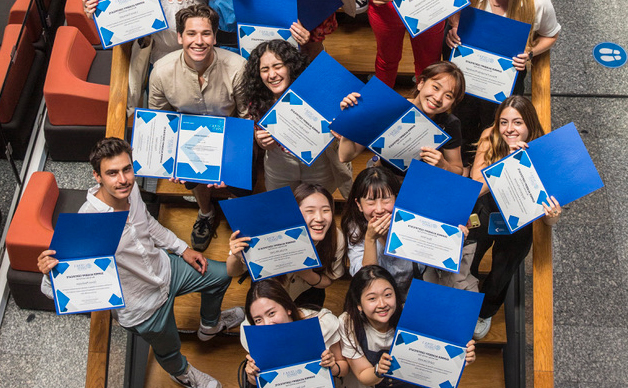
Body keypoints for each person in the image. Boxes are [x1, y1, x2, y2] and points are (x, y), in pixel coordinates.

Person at [37, 138, 244, 388]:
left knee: (221, 276)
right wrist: (50, 273)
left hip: (165, 269)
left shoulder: (131, 189)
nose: (123, 179)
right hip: (142, 307)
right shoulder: (87, 222)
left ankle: (210, 325)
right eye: (112, 173)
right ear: (97, 176)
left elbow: (147, 223)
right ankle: (181, 373)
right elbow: (52, 290)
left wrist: (183, 249)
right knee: (169, 349)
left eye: (127, 169)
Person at [148, 4, 249, 252]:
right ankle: (206, 213)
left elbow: (247, 119)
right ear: (180, 37)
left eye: (206, 34)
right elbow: (158, 122)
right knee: (193, 179)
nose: (199, 41)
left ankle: (242, 216)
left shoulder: (238, 67)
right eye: (191, 34)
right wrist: (169, 160)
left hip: (231, 136)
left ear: (215, 37)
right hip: (190, 140)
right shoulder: (161, 71)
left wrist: (232, 163)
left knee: (239, 186)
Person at [468, 96, 561, 339]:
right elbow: (476, 187)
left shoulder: (542, 150)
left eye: (517, 122)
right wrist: (504, 161)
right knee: (469, 259)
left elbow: (549, 218)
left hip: (520, 223)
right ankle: (463, 299)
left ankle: (485, 311)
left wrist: (552, 216)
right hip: (486, 211)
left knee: (502, 272)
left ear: (529, 124)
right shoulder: (490, 137)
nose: (509, 129)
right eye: (504, 122)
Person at [444, 0, 561, 167]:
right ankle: (461, 167)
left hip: (506, 76)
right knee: (462, 119)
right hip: (469, 69)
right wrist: (455, 26)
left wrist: (529, 53)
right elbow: (449, 8)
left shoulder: (539, 4)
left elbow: (551, 35)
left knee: (497, 123)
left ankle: (489, 169)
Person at [243, 39, 353, 197]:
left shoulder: (314, 91)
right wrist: (263, 142)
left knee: (319, 206)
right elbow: (262, 140)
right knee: (282, 207)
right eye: (265, 69)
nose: (272, 74)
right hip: (279, 164)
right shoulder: (257, 99)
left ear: (290, 66)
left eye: (277, 66)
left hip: (318, 163)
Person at [339, 265, 476, 387]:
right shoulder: (348, 324)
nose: (382, 304)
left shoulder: (412, 315)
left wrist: (461, 357)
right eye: (372, 298)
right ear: (358, 304)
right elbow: (362, 373)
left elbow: (437, 357)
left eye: (387, 295)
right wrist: (378, 370)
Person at [338, 61, 466, 176]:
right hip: (386, 178)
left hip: (423, 182)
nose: (438, 98)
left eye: (448, 96)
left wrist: (444, 166)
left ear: (453, 103)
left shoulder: (449, 123)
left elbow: (458, 169)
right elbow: (345, 156)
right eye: (435, 87)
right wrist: (349, 119)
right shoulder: (391, 109)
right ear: (421, 83)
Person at [227, 183, 345, 307]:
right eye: (310, 211)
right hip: (267, 292)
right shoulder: (264, 231)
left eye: (326, 210)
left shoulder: (336, 238)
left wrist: (307, 274)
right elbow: (232, 272)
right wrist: (237, 256)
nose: (319, 218)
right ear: (294, 213)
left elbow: (329, 280)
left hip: (307, 293)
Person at [240, 279, 349, 386]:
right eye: (258, 320)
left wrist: (332, 367)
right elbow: (260, 381)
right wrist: (252, 374)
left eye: (271, 313)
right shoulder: (253, 334)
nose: (267, 323)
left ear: (287, 308)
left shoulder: (322, 323)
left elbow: (343, 368)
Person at [367, 0, 446, 88]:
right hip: (387, 9)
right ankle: (382, 97)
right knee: (387, 59)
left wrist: (455, 16)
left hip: (429, 7)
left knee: (429, 63)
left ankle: (424, 99)